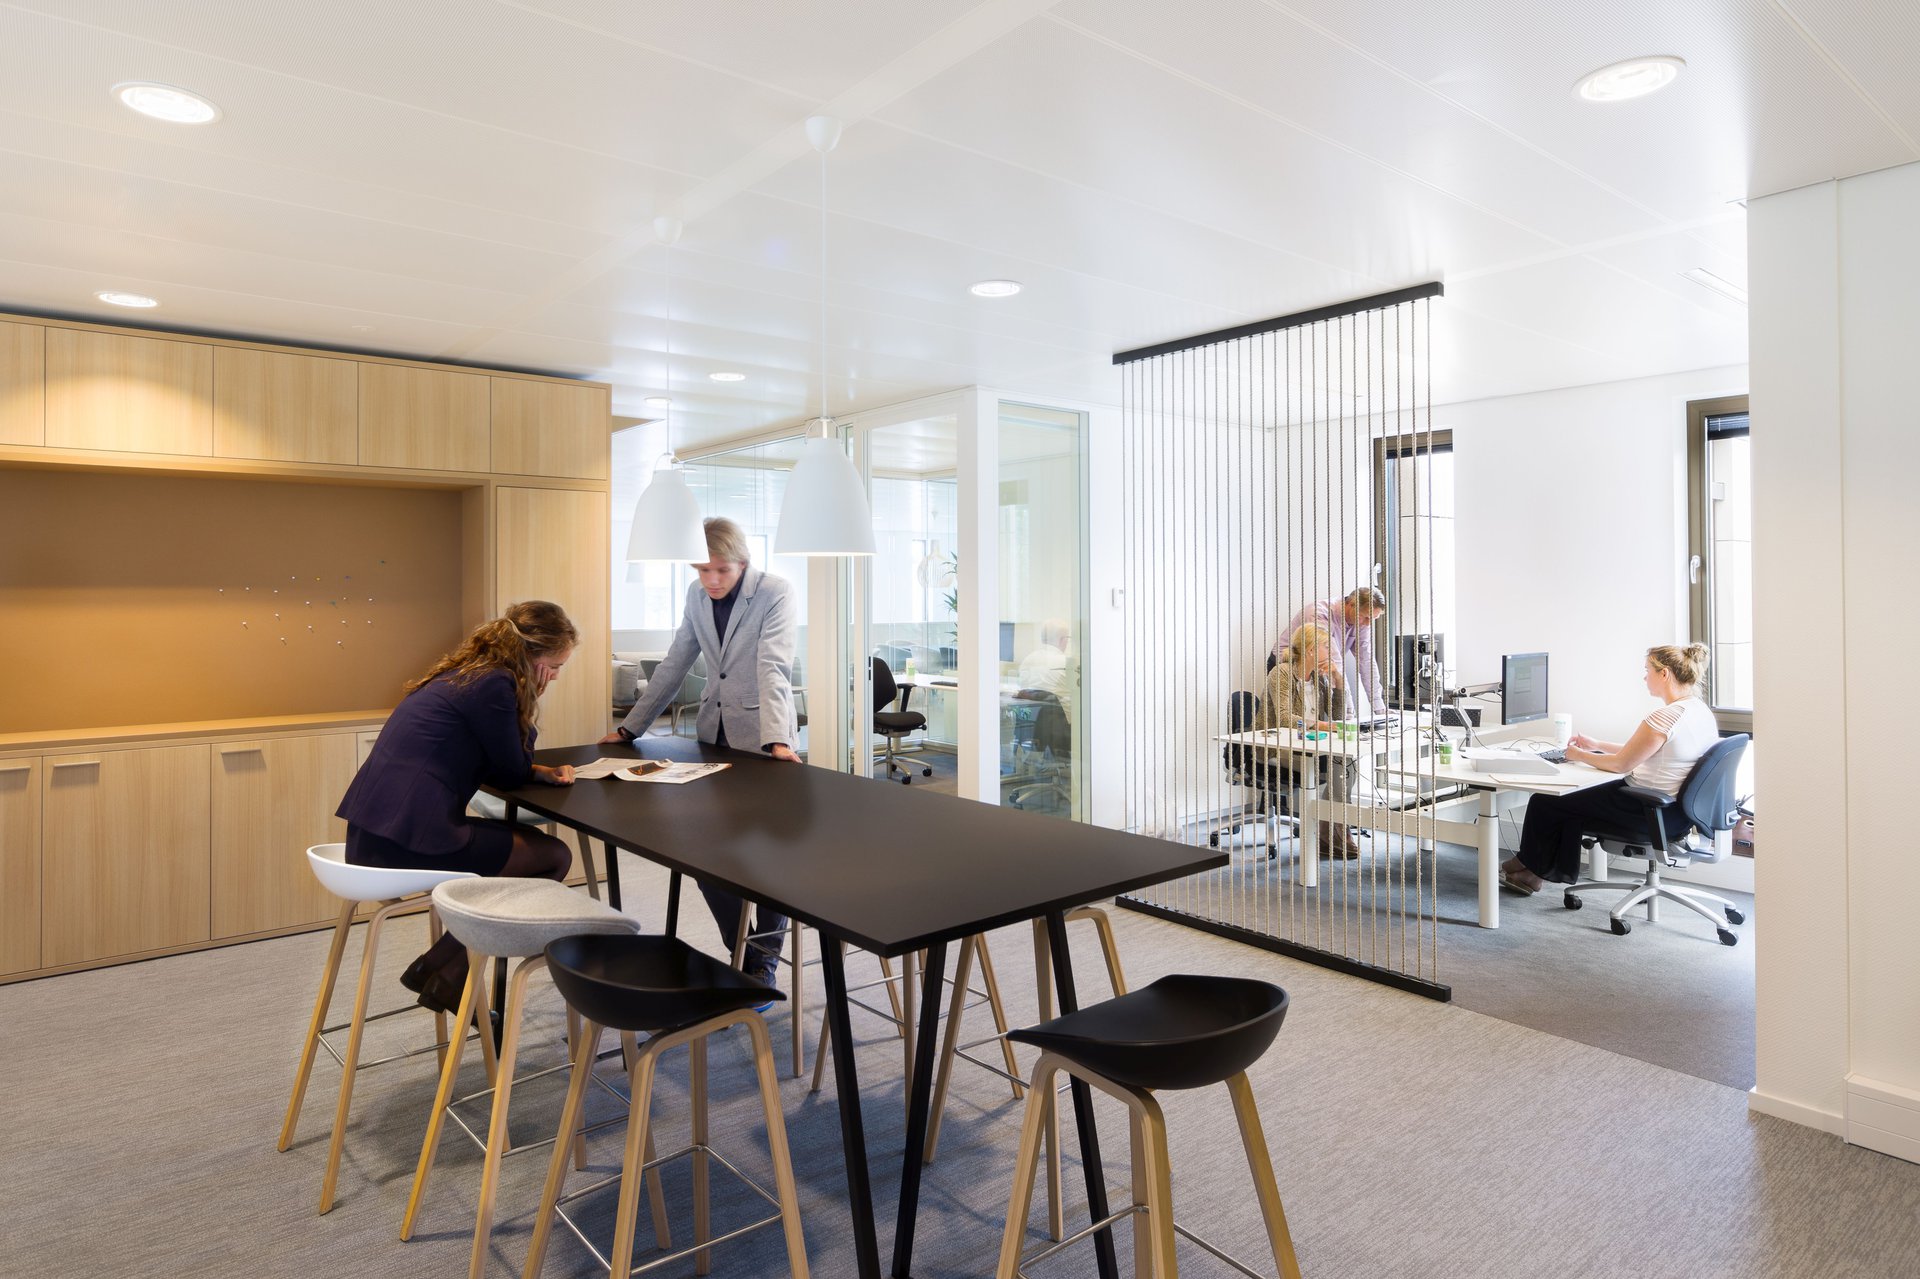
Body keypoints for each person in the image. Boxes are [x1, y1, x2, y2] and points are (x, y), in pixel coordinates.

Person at [336, 600, 581, 1012]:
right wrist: (531, 708)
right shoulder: (496, 684)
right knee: (552, 856)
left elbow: (495, 762)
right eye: (554, 666)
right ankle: (442, 968)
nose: (555, 675)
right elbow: (509, 770)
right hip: (405, 844)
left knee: (527, 852)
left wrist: (536, 770)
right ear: (532, 655)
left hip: (374, 835)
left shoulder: (464, 675)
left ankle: (446, 972)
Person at [601, 517, 800, 988]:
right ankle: (739, 951)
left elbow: (773, 666)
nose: (711, 581)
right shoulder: (696, 596)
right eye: (702, 571)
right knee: (708, 856)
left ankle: (764, 961)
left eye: (722, 571)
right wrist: (630, 727)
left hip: (765, 738)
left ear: (743, 562)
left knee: (770, 857)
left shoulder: (775, 592)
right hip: (714, 734)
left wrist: (778, 740)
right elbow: (676, 660)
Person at [1499, 643, 1719, 894]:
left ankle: (1527, 866)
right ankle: (1531, 873)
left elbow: (1621, 764)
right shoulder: (1697, 711)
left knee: (1546, 801)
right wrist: (1596, 745)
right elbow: (1643, 750)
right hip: (1676, 813)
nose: (1644, 676)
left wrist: (1578, 754)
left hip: (1647, 810)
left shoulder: (1663, 717)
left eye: (1648, 670)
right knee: (1570, 802)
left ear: (1665, 674)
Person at [1254, 622, 1360, 858]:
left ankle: (1331, 831)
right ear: (1311, 650)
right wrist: (1323, 725)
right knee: (1338, 766)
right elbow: (1283, 718)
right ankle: (1334, 834)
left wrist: (1338, 680)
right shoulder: (1281, 673)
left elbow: (1338, 717)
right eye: (1325, 646)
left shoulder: (1319, 679)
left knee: (1348, 765)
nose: (1331, 652)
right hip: (1277, 747)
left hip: (1310, 745)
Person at [1271, 587, 1387, 718]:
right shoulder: (1319, 614)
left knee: (1313, 714)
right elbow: (1334, 658)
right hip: (1286, 662)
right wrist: (1349, 713)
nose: (1367, 624)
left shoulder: (1363, 623)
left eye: (1373, 619)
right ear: (1351, 604)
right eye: (1365, 617)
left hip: (1314, 666)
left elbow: (1366, 661)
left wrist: (1380, 708)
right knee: (1292, 717)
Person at [1017, 619, 1073, 714]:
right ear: (1063, 640)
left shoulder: (1028, 659)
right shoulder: (1066, 663)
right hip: (1065, 724)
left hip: (1035, 722)